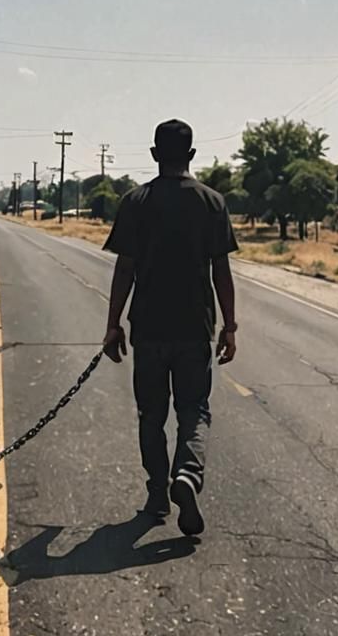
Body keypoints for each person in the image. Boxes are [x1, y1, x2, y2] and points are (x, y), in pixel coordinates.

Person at [101, 119, 238, 537]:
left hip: (148, 328)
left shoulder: (136, 202)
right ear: (191, 155)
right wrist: (230, 326)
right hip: (195, 327)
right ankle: (188, 475)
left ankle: (158, 494)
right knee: (194, 409)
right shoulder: (212, 202)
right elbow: (221, 270)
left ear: (154, 154)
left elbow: (125, 268)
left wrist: (113, 324)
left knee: (152, 414)